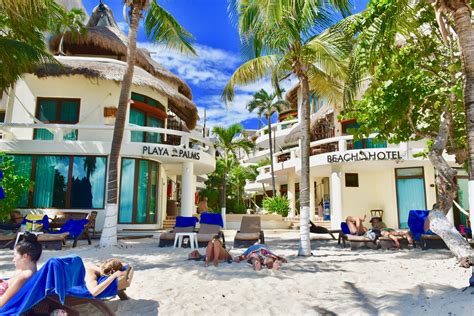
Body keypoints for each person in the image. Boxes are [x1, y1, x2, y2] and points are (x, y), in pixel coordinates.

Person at [0, 233, 42, 307]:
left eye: (15, 256)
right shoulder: (33, 273)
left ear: (25, 256)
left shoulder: (24, 276)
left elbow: (2, 302)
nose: (13, 260)